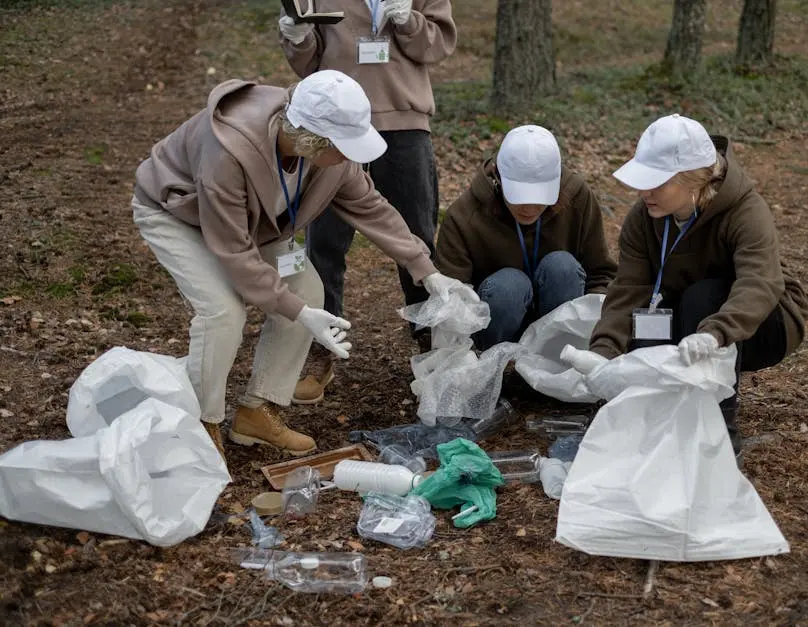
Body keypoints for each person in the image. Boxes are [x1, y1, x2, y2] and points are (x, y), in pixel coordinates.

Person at [132, 69, 469, 462]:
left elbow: (371, 207)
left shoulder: (330, 156)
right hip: (177, 213)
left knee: (308, 290)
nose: (349, 156)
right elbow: (235, 253)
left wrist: (425, 269)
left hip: (257, 223)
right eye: (343, 146)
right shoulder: (227, 151)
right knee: (222, 312)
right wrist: (297, 313)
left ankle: (257, 410)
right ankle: (200, 425)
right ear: (309, 138)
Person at [562, 114, 808, 455]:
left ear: (693, 180)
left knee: (702, 296)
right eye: (642, 180)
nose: (643, 192)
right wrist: (603, 352)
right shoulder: (643, 218)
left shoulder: (745, 210)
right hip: (688, 316)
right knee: (651, 313)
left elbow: (760, 282)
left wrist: (716, 332)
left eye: (657, 183)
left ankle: (719, 431)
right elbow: (629, 289)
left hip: (763, 324)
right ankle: (649, 417)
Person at [279, 0, 457, 401]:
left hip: (405, 123)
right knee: (323, 244)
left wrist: (408, 21)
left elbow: (439, 46)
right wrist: (297, 38)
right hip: (332, 130)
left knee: (416, 236)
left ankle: (430, 344)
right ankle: (320, 350)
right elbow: (308, 66)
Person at [435, 125, 617, 349]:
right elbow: (453, 295)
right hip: (496, 324)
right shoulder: (464, 215)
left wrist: (597, 332)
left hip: (559, 325)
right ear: (498, 179)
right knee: (509, 285)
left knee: (562, 268)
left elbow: (600, 273)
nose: (529, 208)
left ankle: (557, 359)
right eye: (519, 196)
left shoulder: (576, 196)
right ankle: (494, 366)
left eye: (540, 196)